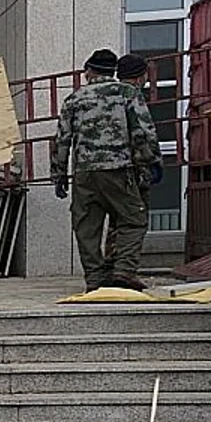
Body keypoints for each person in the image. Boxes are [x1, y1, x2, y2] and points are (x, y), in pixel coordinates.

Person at [54, 49, 158, 292]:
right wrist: (151, 162)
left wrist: (59, 174)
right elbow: (144, 131)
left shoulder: (74, 99)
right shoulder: (128, 93)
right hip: (119, 170)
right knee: (133, 219)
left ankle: (95, 278)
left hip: (85, 173)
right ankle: (123, 271)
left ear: (90, 70)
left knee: (87, 227)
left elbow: (61, 139)